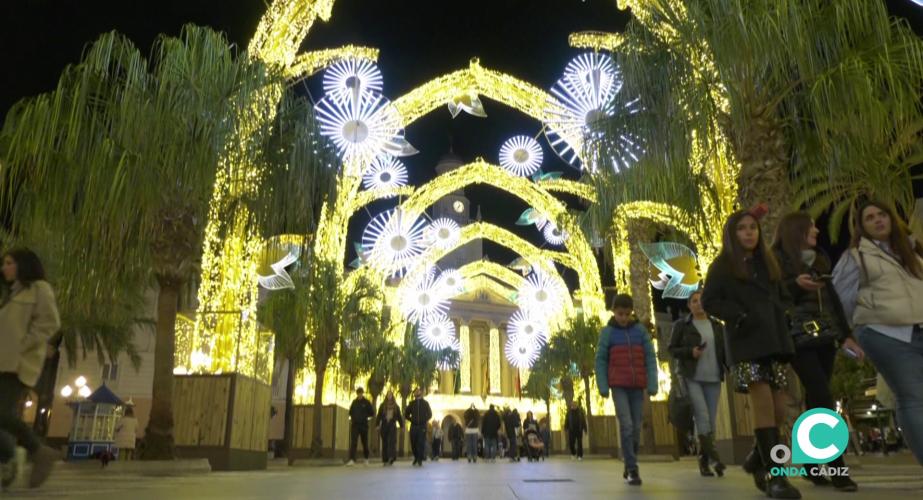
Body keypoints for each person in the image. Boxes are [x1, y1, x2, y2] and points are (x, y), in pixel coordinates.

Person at [702, 208, 801, 499]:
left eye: (753, 227)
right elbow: (709, 300)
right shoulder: (722, 265)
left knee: (780, 408)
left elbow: (782, 294)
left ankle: (757, 458)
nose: (749, 232)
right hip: (746, 344)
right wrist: (739, 316)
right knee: (763, 406)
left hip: (775, 344)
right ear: (732, 234)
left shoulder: (767, 263)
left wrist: (785, 313)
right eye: (742, 228)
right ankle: (775, 475)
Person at [773, 212, 860, 490]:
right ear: (796, 230)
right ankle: (837, 468)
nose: (817, 231)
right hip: (796, 337)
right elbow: (772, 297)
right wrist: (795, 286)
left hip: (824, 336)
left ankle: (810, 464)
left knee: (816, 398)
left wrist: (845, 335)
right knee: (823, 394)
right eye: (811, 227)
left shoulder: (820, 258)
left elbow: (832, 297)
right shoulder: (776, 260)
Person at [833, 200, 923, 465]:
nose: (878, 220)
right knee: (913, 396)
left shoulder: (912, 250)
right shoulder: (855, 256)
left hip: (918, 328)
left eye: (882, 215)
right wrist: (847, 335)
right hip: (885, 333)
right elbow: (839, 300)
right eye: (870, 218)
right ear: (861, 227)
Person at [0, 248, 61, 490]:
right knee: (3, 415)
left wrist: (25, 344)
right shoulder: (12, 294)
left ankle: (37, 451)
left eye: (8, 263)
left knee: (2, 413)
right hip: (3, 363)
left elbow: (50, 322)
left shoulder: (39, 289)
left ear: (23, 265)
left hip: (17, 365)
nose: (4, 268)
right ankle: (9, 458)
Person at [595, 293, 658, 486]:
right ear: (613, 312)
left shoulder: (640, 331)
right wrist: (603, 385)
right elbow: (601, 360)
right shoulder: (607, 333)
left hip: (637, 386)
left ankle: (629, 462)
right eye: (620, 314)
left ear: (631, 313)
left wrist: (653, 383)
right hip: (619, 386)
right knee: (627, 425)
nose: (623, 318)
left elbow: (649, 358)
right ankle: (632, 468)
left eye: (626, 314)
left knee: (636, 427)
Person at [668, 290, 727, 477]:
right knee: (702, 416)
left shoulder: (717, 325)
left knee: (711, 419)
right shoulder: (682, 325)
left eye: (701, 300)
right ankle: (715, 458)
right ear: (688, 305)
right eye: (694, 301)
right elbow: (672, 349)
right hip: (692, 376)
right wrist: (689, 352)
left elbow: (723, 350)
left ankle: (704, 460)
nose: (698, 304)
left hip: (713, 376)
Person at [346, 387, 374, 466]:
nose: (359, 395)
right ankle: (352, 459)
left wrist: (365, 417)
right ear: (357, 394)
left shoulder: (366, 402)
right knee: (353, 442)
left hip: (364, 426)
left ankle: (366, 458)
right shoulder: (354, 402)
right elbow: (350, 412)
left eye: (361, 393)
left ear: (362, 393)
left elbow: (372, 413)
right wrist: (353, 418)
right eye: (358, 393)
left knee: (364, 442)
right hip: (355, 425)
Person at [404, 387, 432, 467]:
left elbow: (430, 414)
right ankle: (416, 457)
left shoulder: (425, 403)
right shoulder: (411, 403)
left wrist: (424, 420)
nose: (417, 392)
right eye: (415, 391)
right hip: (414, 426)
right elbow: (406, 414)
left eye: (418, 391)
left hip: (422, 426)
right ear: (414, 394)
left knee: (421, 443)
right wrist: (411, 420)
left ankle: (419, 459)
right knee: (413, 443)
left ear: (421, 392)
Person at [375, 390, 403, 466]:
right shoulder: (382, 405)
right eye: (388, 394)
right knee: (385, 443)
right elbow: (379, 416)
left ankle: (391, 457)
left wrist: (401, 425)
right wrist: (377, 424)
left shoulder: (396, 406)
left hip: (392, 426)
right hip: (384, 426)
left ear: (392, 396)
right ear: (386, 396)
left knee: (391, 442)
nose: (389, 396)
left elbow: (399, 416)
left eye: (391, 394)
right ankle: (385, 459)